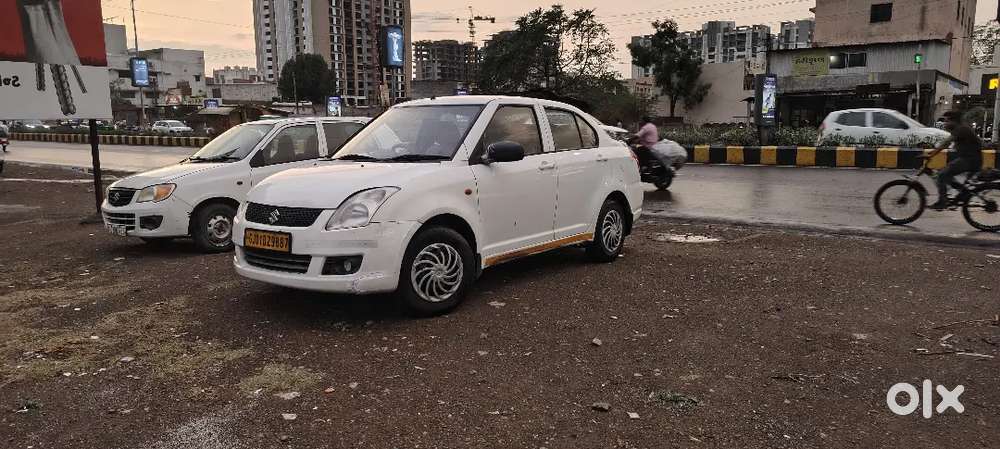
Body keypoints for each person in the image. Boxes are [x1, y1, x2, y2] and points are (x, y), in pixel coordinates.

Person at [927, 111, 983, 210]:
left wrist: (931, 154)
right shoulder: (959, 128)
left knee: (941, 175)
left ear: (954, 121)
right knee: (944, 173)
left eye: (947, 121)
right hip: (969, 159)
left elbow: (946, 143)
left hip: (970, 160)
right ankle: (963, 193)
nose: (945, 123)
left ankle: (942, 202)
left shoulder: (961, 129)